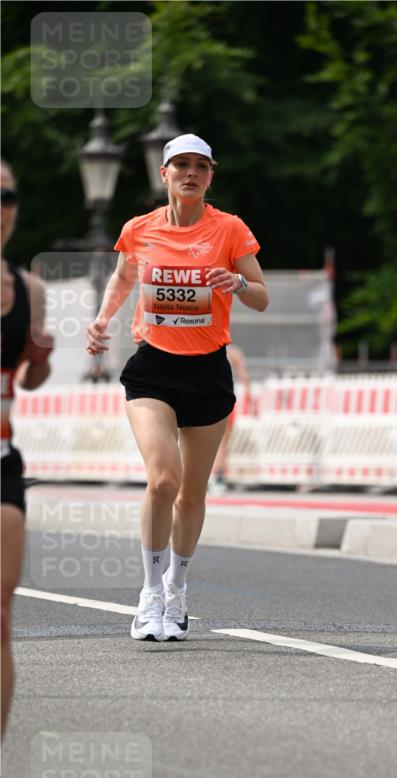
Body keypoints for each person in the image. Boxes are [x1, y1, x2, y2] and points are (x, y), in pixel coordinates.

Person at [85, 134, 268, 642]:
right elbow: (123, 280)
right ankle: (148, 596)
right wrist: (102, 321)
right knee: (163, 479)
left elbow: (262, 297)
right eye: (180, 165)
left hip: (207, 370)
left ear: (211, 176)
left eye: (200, 167)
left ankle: (177, 590)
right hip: (153, 369)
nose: (191, 173)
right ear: (163, 174)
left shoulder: (229, 229)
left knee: (191, 494)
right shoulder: (139, 230)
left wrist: (237, 285)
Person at [1, 160, 54, 778]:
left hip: (2, 459)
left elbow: (34, 379)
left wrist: (39, 359)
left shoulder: (30, 289)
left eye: (9, 195)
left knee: (2, 617)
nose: (2, 206)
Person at [209, 342, 251, 493]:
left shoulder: (204, 348)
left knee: (196, 441)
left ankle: (203, 476)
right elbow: (244, 376)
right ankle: (218, 478)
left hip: (205, 398)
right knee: (222, 444)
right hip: (224, 398)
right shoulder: (234, 352)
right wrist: (250, 400)